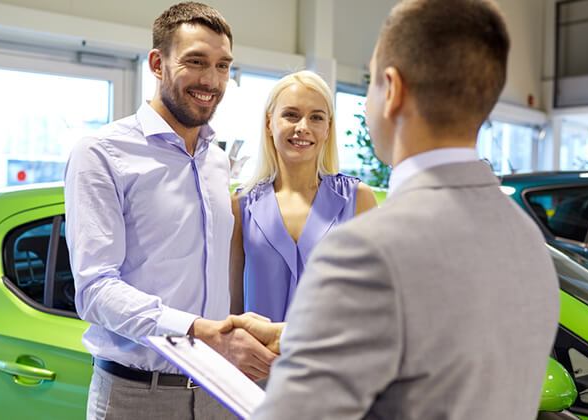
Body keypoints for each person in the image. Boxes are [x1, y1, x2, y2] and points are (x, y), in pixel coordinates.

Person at [245, 0, 561, 418]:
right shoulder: (528, 243)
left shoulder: (367, 249)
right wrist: (295, 335)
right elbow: (428, 346)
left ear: (391, 91)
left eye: (370, 82)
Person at [64, 3, 275, 419]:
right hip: (135, 395)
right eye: (195, 62)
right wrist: (199, 332)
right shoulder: (102, 152)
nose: (211, 81)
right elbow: (95, 291)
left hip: (219, 389)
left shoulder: (216, 161)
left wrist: (237, 332)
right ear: (158, 63)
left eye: (222, 66)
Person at [229, 70, 378, 321]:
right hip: (257, 358)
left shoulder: (358, 200)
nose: (303, 128)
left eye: (316, 118)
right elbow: (234, 305)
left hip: (332, 358)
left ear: (328, 128)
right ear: (269, 122)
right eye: (291, 115)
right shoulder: (241, 206)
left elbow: (375, 300)